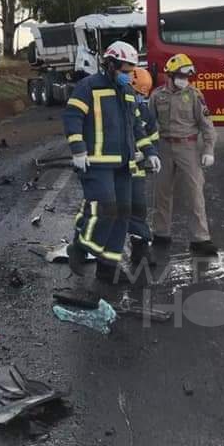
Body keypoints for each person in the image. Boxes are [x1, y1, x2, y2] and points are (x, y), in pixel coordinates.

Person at [62, 41, 160, 282]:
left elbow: (135, 125)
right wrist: (78, 150)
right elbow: (72, 116)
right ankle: (81, 247)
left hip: (123, 164)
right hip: (96, 163)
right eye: (125, 71)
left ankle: (108, 267)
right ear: (111, 64)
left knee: (123, 215)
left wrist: (150, 152)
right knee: (106, 211)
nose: (129, 76)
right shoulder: (88, 87)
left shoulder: (127, 92)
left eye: (132, 71)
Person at [149, 53, 218, 256]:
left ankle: (201, 239)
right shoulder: (157, 96)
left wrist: (208, 150)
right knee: (161, 193)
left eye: (187, 77)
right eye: (180, 76)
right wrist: (147, 150)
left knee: (195, 193)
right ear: (169, 76)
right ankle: (161, 234)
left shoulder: (194, 95)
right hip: (164, 147)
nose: (184, 80)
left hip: (188, 148)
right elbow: (147, 125)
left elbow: (207, 125)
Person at [127, 67, 160, 266]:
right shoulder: (115, 108)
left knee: (138, 208)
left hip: (136, 168)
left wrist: (148, 153)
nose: (140, 98)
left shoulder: (145, 111)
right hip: (115, 169)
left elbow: (152, 137)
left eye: (142, 95)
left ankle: (140, 251)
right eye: (137, 94)